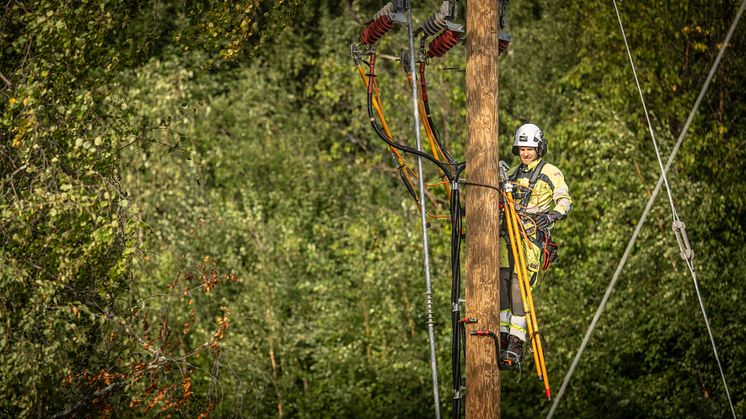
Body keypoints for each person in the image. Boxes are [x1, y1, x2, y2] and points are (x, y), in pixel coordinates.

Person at [498, 123, 572, 367]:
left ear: (539, 148)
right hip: (508, 235)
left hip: (530, 239)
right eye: (522, 148)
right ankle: (503, 334)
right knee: (503, 281)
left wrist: (550, 216)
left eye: (530, 148)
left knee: (520, 285)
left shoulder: (550, 172)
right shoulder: (512, 175)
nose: (526, 153)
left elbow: (565, 200)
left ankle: (517, 340)